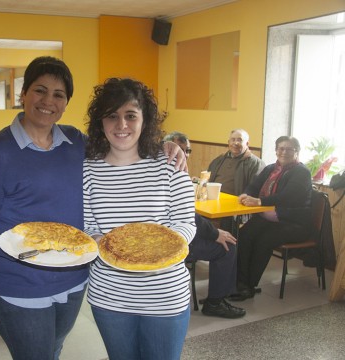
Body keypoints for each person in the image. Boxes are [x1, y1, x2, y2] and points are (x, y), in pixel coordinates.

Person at [0, 57, 186, 360]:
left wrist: (167, 145)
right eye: (40, 90)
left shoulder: (76, 143)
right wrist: (22, 245)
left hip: (72, 281)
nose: (47, 101)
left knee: (53, 350)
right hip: (19, 282)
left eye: (58, 95)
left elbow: (124, 140)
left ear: (66, 103)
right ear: (23, 94)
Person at [83, 78, 196, 360]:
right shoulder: (88, 169)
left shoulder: (171, 163)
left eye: (130, 115)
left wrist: (153, 251)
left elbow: (186, 223)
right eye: (112, 116)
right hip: (109, 296)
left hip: (164, 295)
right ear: (101, 122)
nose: (121, 125)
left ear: (145, 120)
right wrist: (103, 242)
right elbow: (87, 226)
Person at [167, 131, 245, 318]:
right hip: (174, 242)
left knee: (223, 235)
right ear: (167, 149)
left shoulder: (171, 171)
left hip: (175, 233)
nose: (184, 155)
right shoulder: (171, 174)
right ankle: (215, 303)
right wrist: (215, 233)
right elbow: (190, 216)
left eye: (188, 151)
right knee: (228, 246)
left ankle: (225, 293)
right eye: (180, 150)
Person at [230, 136, 312, 301]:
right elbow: (254, 185)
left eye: (289, 149)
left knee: (264, 240)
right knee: (244, 234)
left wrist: (260, 201)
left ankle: (249, 286)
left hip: (293, 222)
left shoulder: (302, 172)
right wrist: (246, 194)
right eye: (281, 148)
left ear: (297, 152)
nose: (284, 152)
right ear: (276, 150)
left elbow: (288, 196)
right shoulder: (270, 169)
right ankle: (239, 282)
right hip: (269, 218)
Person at [208, 129, 265, 196]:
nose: (235, 143)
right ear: (228, 142)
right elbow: (207, 177)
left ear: (247, 144)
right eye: (233, 140)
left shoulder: (256, 164)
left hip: (238, 203)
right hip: (213, 198)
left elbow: (255, 190)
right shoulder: (219, 159)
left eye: (239, 140)